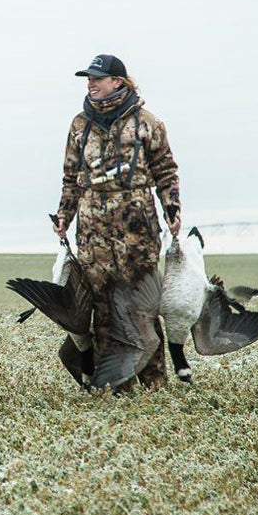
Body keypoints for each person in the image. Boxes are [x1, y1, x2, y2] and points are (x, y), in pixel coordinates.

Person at [53, 54, 181, 390]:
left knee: (141, 305)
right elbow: (70, 177)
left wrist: (172, 210)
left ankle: (154, 383)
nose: (90, 84)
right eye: (88, 79)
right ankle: (115, 384)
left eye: (97, 78)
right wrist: (65, 214)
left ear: (118, 82)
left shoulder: (147, 123)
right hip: (92, 228)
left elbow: (166, 171)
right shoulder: (80, 125)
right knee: (102, 306)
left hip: (136, 226)